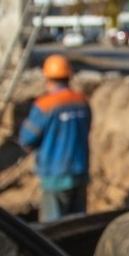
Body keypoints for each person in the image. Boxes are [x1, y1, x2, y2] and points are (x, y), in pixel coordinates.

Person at [19, 54, 91, 222]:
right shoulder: (82, 101)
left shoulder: (45, 104)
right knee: (78, 224)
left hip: (55, 174)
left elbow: (27, 139)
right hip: (80, 170)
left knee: (54, 227)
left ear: (47, 78)